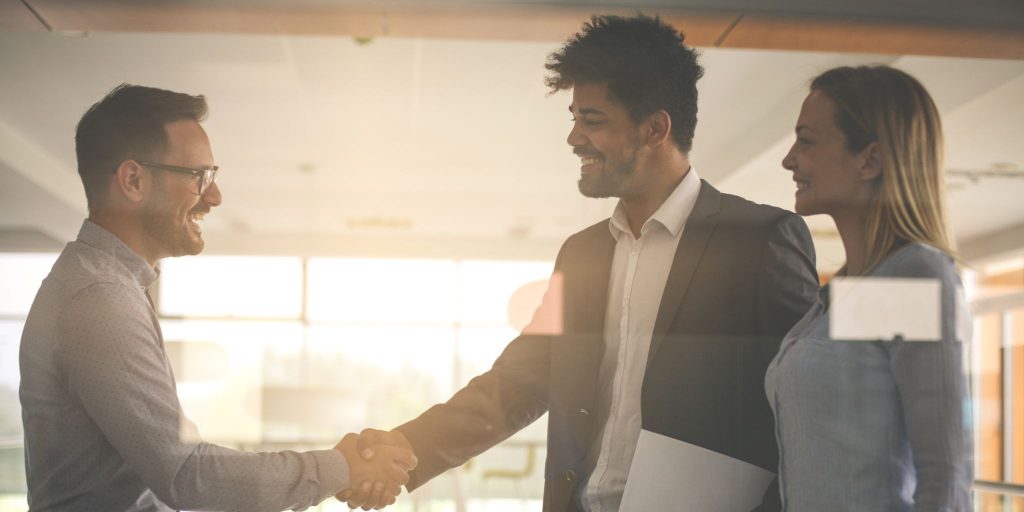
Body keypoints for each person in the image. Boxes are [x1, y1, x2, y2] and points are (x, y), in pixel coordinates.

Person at [341, 14, 819, 512]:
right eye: (574, 118)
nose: (573, 138)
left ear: (655, 128)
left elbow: (803, 411)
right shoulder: (582, 253)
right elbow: (519, 380)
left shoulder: (758, 241)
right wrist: (405, 449)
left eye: (592, 121)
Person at [19, 84, 415, 512]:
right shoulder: (99, 299)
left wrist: (339, 467)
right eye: (199, 177)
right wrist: (342, 468)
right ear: (133, 180)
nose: (215, 196)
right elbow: (188, 478)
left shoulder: (108, 287)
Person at [765, 65, 973, 510]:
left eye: (806, 140)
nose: (788, 160)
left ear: (870, 159)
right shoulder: (839, 295)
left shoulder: (913, 274)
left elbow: (946, 479)